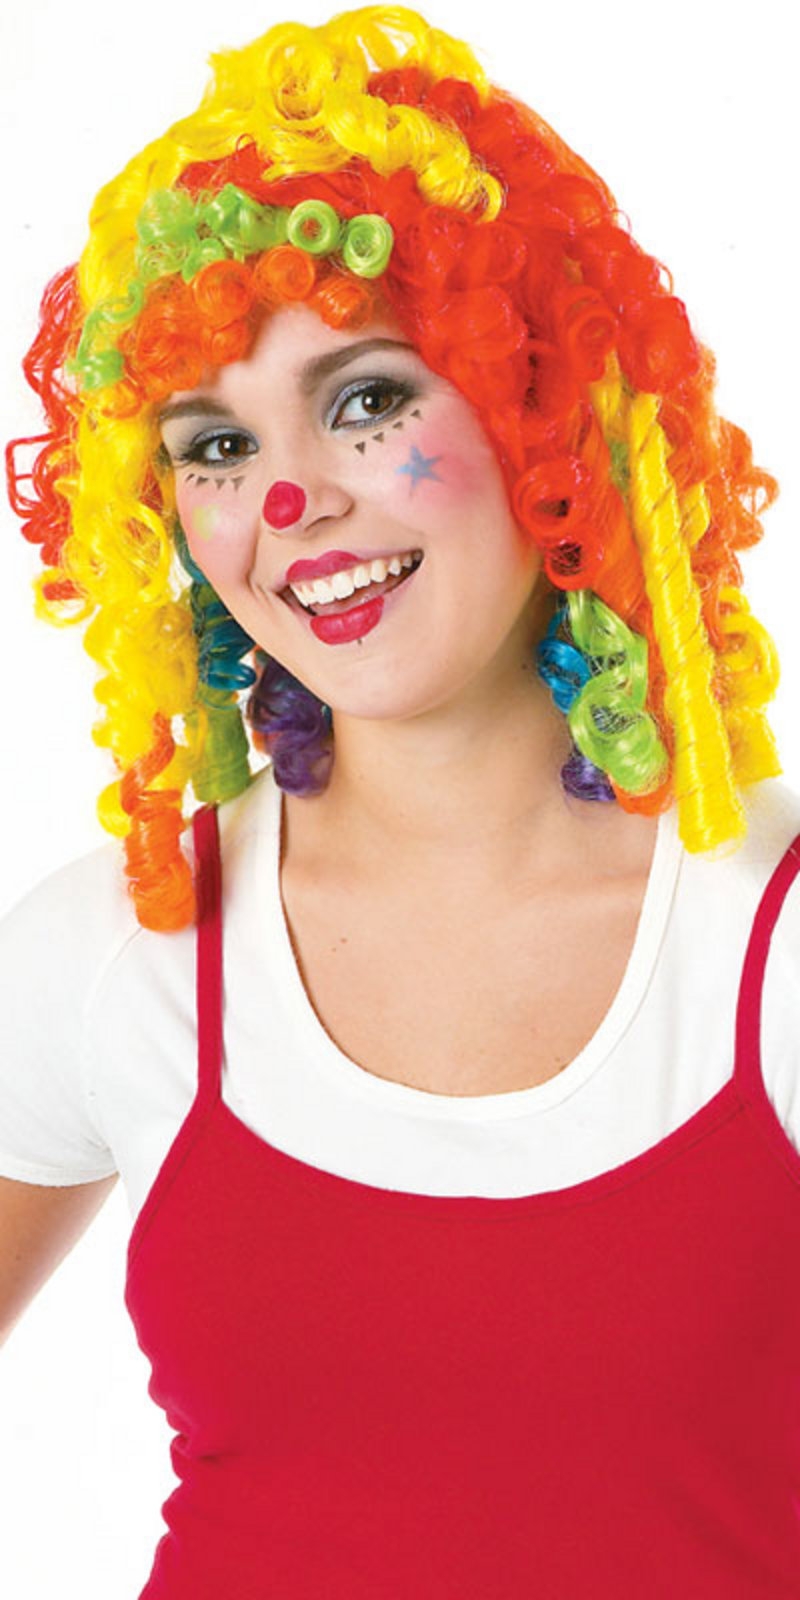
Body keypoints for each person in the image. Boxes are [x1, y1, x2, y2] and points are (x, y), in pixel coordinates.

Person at [2, 4, 799, 1594]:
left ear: (545, 407)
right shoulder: (121, 947)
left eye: (365, 400)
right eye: (216, 444)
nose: (290, 499)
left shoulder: (768, 943)